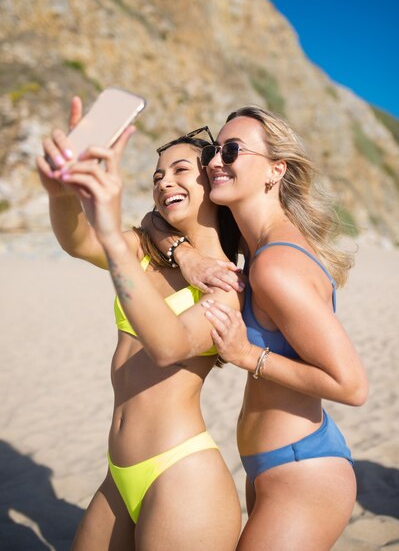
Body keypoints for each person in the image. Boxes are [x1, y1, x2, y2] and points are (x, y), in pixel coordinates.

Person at [36, 98, 242, 551]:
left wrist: (115, 234)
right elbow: (78, 241)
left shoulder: (226, 283)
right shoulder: (145, 252)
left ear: (213, 180)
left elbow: (169, 347)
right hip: (119, 473)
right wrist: (60, 194)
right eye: (157, 176)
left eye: (180, 170)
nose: (164, 180)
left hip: (182, 476)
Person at [194, 106, 368, 550]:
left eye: (231, 151)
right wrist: (184, 251)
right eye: (215, 150)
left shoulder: (274, 265)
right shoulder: (259, 249)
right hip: (274, 465)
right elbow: (159, 218)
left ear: (276, 170)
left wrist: (246, 355)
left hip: (303, 471)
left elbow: (351, 386)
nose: (215, 161)